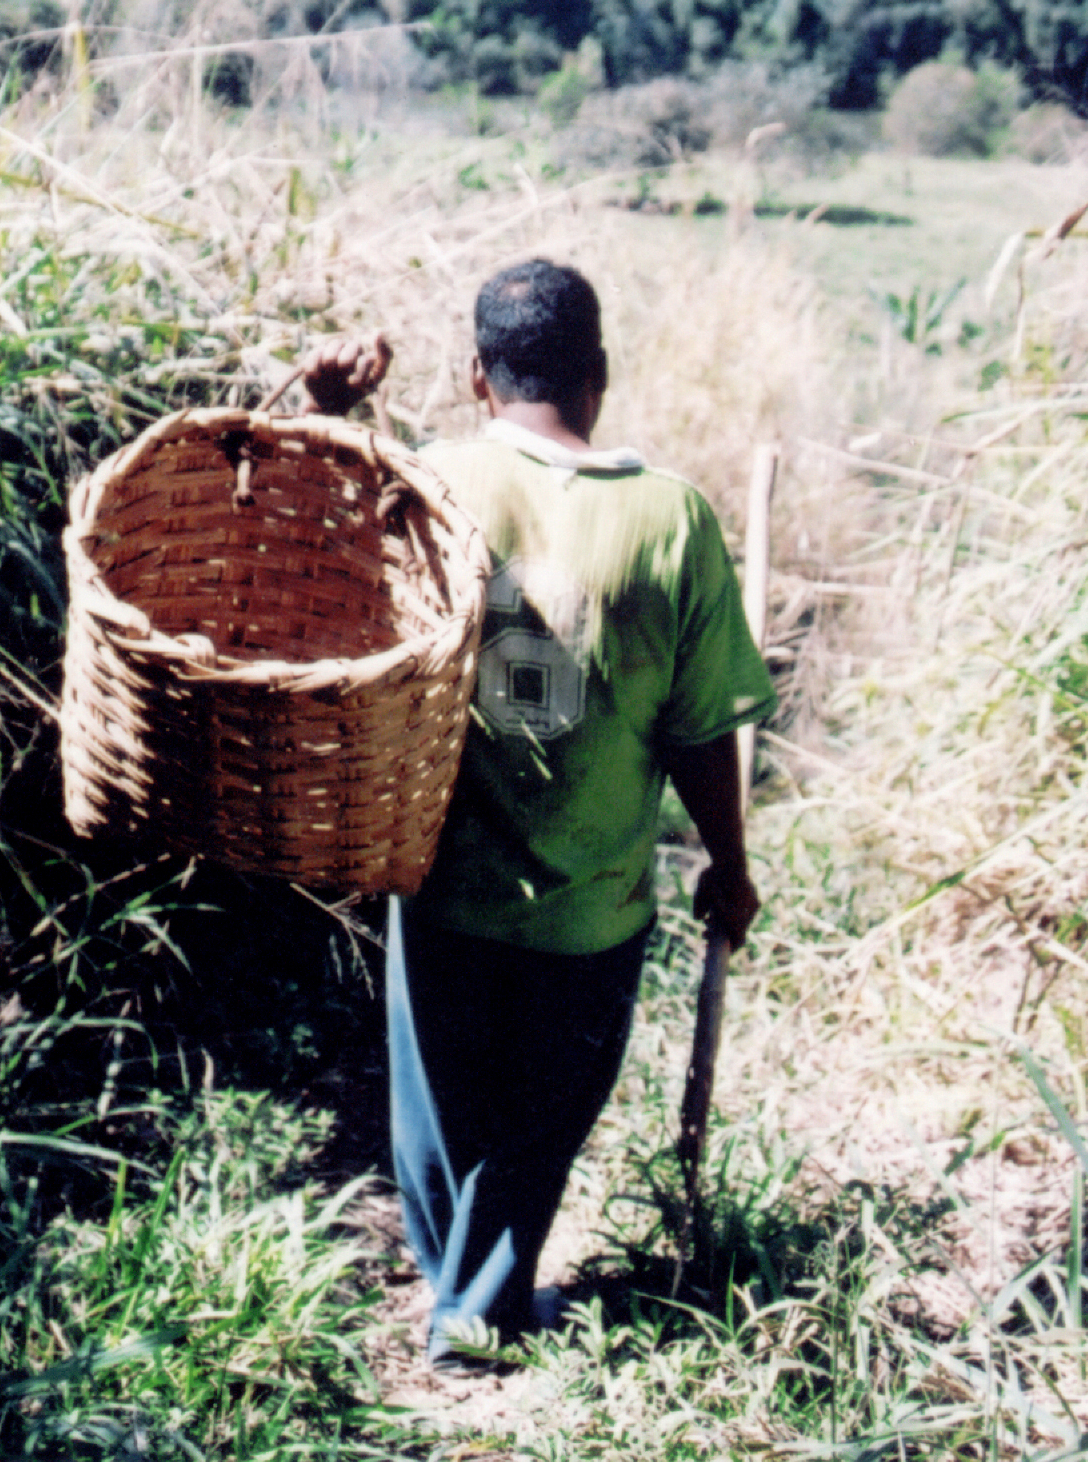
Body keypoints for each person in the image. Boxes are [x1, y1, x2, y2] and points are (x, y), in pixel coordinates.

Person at [298, 258, 774, 1366]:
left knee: (445, 1115)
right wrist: (730, 863)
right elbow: (703, 731)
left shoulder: (433, 485)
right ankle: (477, 1315)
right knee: (545, 1117)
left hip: (442, 880)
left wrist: (329, 414)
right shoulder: (675, 520)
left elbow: (315, 563)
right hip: (596, 907)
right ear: (599, 375)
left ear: (477, 376)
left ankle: (462, 1293)